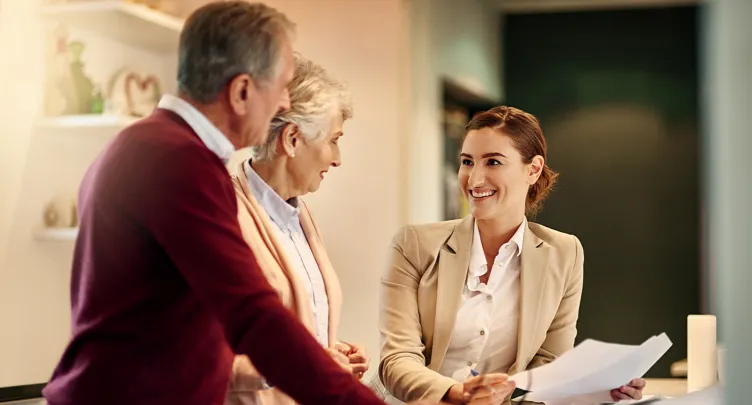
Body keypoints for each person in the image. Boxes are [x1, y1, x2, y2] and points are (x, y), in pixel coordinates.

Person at [41, 3, 392, 405]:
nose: (281, 105)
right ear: (242, 91)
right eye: (279, 88)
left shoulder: (144, 145)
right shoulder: (179, 162)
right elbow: (254, 317)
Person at [377, 106, 646, 404]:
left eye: (493, 162)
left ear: (532, 169)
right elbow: (396, 360)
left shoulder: (564, 253)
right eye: (467, 162)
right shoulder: (414, 244)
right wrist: (456, 393)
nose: (475, 179)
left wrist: (597, 390)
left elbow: (549, 369)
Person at [225, 54, 369, 404]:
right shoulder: (223, 212)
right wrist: (299, 364)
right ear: (291, 139)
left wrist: (329, 352)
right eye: (333, 140)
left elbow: (292, 329)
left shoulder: (298, 214)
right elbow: (188, 350)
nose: (338, 158)